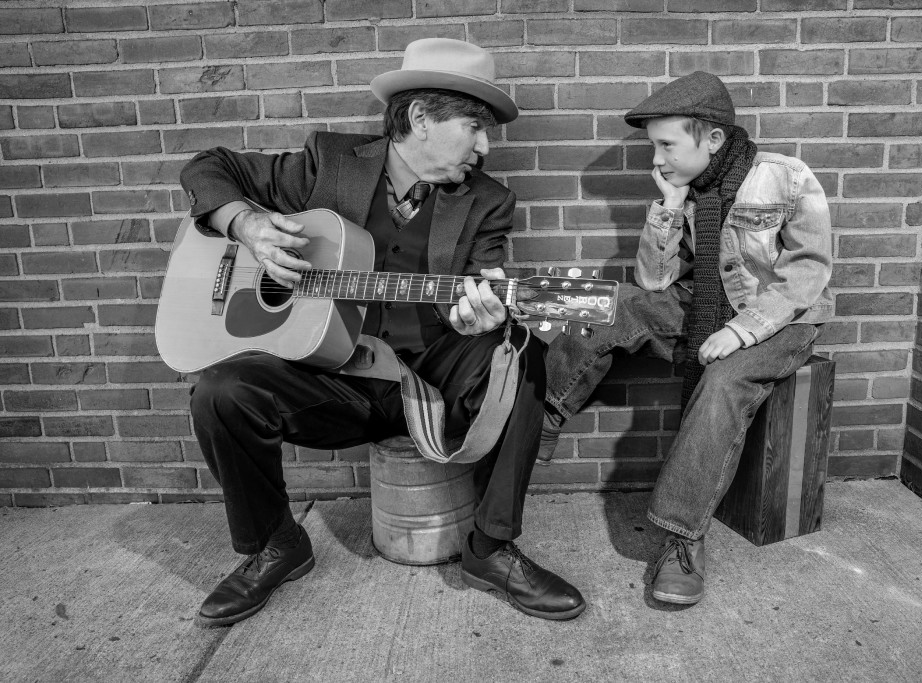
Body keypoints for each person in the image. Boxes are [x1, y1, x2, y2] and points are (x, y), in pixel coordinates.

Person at [180, 38, 586, 626]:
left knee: (517, 352)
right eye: (475, 126)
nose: (485, 145)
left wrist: (483, 315)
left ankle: (491, 549)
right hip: (330, 381)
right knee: (218, 390)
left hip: (430, 379)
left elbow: (482, 283)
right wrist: (247, 226)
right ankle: (275, 544)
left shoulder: (488, 201)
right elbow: (207, 169)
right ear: (420, 118)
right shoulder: (328, 163)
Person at [541, 71, 833, 605]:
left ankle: (681, 540)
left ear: (713, 138)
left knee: (722, 381)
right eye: (655, 146)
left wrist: (741, 331)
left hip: (782, 319)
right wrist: (670, 207)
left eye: (666, 144)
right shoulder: (689, 191)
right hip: (701, 301)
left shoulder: (785, 178)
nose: (657, 159)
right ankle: (545, 410)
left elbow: (808, 273)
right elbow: (653, 281)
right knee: (613, 304)